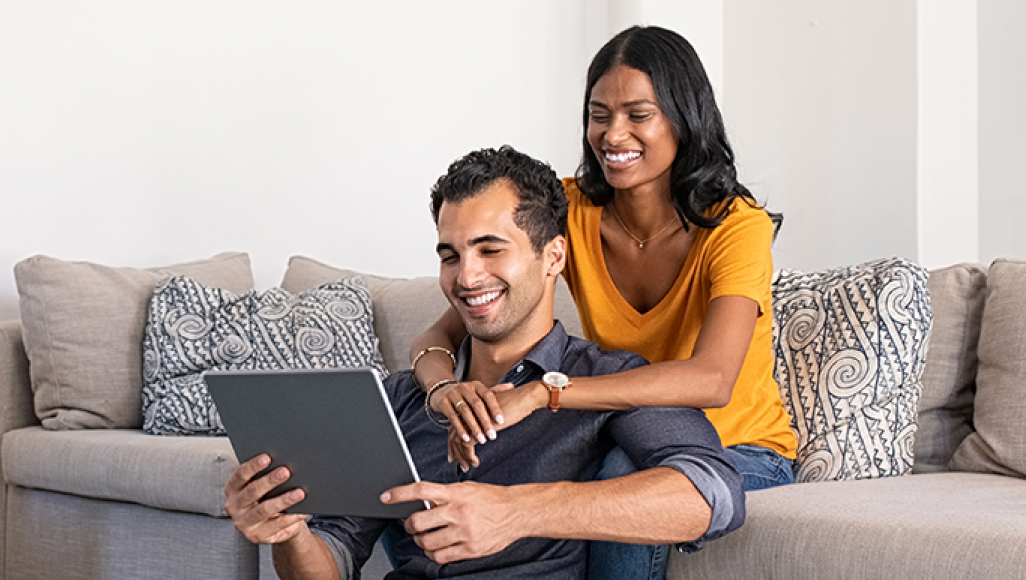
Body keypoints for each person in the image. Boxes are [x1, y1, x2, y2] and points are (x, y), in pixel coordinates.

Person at [225, 146, 744, 580]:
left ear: (554, 257)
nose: (466, 277)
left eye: (490, 250)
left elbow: (713, 493)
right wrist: (287, 530)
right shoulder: (406, 397)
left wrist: (516, 511)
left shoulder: (606, 380)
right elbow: (330, 559)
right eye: (450, 256)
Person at [407, 26, 793, 580]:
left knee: (616, 473)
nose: (613, 134)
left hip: (742, 445)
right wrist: (446, 390)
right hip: (624, 423)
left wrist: (545, 393)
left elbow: (712, 380)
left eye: (639, 114)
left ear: (684, 118)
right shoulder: (570, 208)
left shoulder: (735, 226)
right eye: (599, 113)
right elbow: (439, 336)